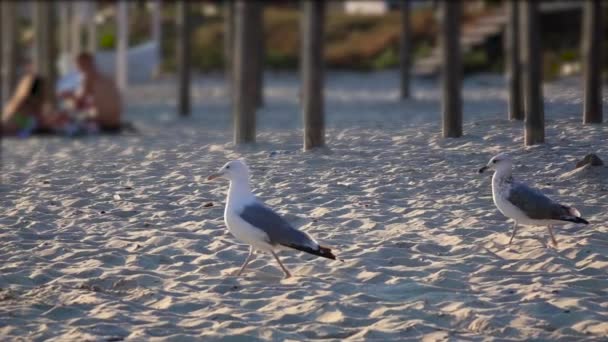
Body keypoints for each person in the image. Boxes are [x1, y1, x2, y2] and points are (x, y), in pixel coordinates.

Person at [60, 52, 122, 132]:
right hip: (115, 123)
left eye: (77, 64)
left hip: (103, 123)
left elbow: (78, 103)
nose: (77, 68)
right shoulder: (106, 78)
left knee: (63, 120)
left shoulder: (89, 78)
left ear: (82, 63)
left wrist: (68, 96)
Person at [2, 73, 69, 136]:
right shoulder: (18, 109)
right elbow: (18, 126)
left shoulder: (29, 108)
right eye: (42, 91)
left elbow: (36, 124)